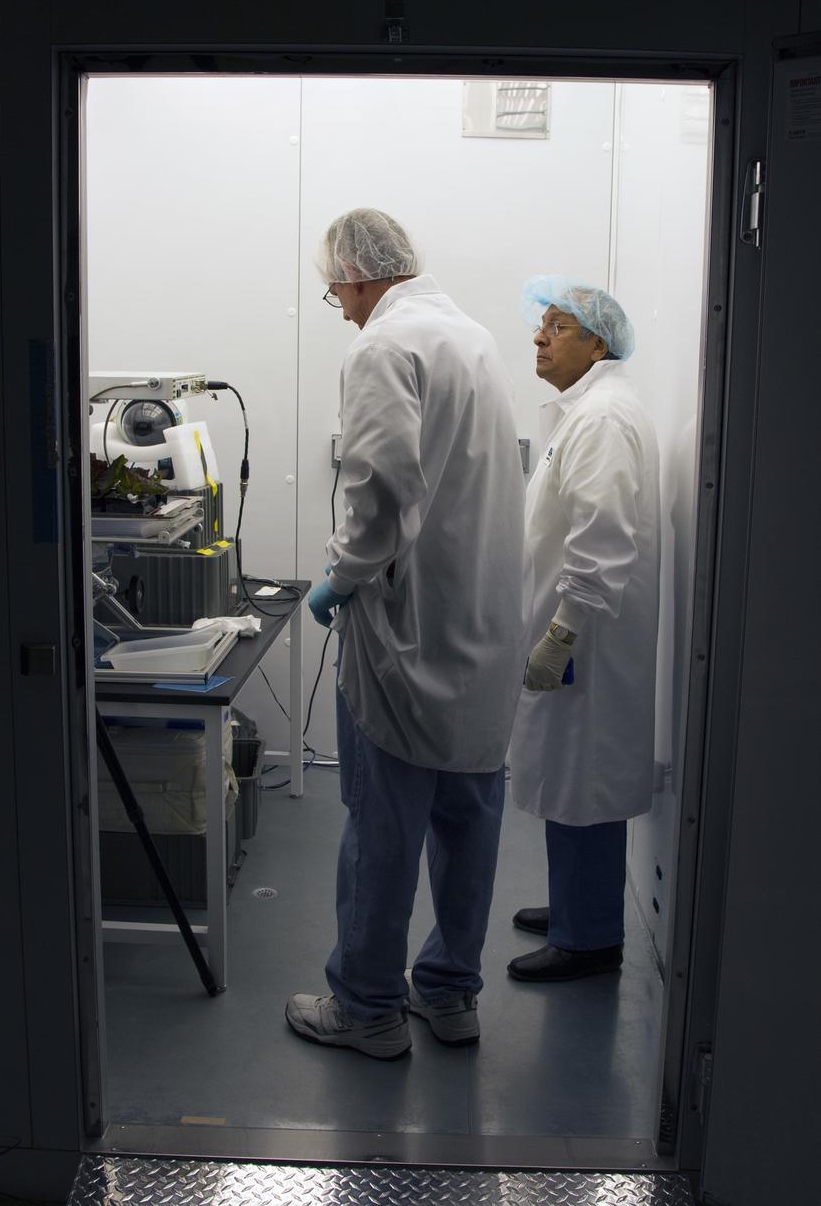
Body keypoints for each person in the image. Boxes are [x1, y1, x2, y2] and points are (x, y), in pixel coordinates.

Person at [285, 208, 526, 1057]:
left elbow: (379, 489)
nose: (340, 308)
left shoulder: (384, 348)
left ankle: (367, 1009)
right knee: (469, 820)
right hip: (484, 623)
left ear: (355, 274)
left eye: (335, 292)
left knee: (381, 824)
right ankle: (450, 993)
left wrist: (340, 579)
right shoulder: (472, 338)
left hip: (408, 627)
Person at [506, 276, 660, 983]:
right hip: (579, 630)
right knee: (568, 772)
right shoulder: (585, 412)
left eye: (559, 327)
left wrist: (560, 635)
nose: (539, 337)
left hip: (586, 638)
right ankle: (575, 906)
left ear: (598, 342)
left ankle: (590, 937)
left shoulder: (600, 420)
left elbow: (602, 540)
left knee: (584, 774)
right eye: (541, 325)